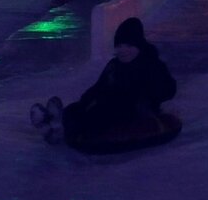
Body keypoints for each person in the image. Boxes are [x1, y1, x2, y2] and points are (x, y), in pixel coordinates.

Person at [30, 17, 177, 148]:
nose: (123, 50)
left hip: (136, 110)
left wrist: (153, 92)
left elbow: (169, 89)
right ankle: (56, 122)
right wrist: (83, 102)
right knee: (75, 110)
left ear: (139, 46)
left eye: (129, 46)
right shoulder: (114, 65)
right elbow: (98, 87)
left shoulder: (151, 65)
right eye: (119, 46)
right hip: (111, 104)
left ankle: (59, 129)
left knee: (98, 117)